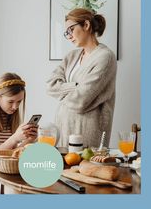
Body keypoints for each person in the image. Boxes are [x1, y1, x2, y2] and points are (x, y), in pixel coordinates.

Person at [47, 8, 117, 149]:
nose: (69, 36)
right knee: (64, 170)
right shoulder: (71, 56)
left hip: (88, 132)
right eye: (66, 33)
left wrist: (65, 89)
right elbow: (50, 86)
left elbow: (80, 101)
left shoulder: (105, 57)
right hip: (63, 130)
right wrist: (76, 86)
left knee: (85, 169)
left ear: (86, 25)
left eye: (71, 30)